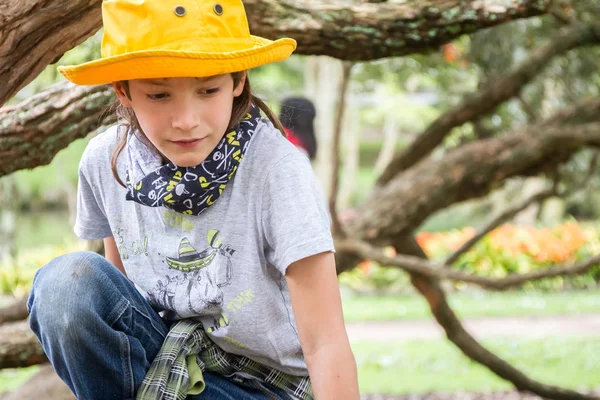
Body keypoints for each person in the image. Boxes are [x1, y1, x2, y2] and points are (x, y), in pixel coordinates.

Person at [26, 1, 359, 399]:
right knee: (67, 284)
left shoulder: (276, 169)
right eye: (160, 94)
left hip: (261, 388)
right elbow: (119, 311)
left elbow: (325, 342)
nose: (186, 119)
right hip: (163, 368)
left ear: (238, 79)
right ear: (124, 90)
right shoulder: (105, 163)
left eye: (208, 90)